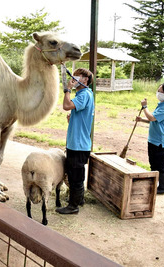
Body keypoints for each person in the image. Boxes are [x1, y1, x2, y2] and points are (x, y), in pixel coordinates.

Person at [56, 68, 94, 215]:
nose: (75, 77)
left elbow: (66, 106)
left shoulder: (84, 94)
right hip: (78, 143)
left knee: (75, 176)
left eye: (78, 75)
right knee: (77, 174)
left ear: (85, 80)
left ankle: (73, 206)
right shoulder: (86, 94)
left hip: (78, 145)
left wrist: (67, 90)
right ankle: (79, 199)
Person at [136, 83, 164, 195]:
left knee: (161, 165)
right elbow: (155, 120)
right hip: (153, 140)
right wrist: (142, 119)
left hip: (160, 142)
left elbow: (152, 117)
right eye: (158, 91)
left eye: (162, 91)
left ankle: (162, 188)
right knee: (153, 163)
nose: (159, 93)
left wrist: (144, 107)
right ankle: (154, 184)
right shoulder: (161, 105)